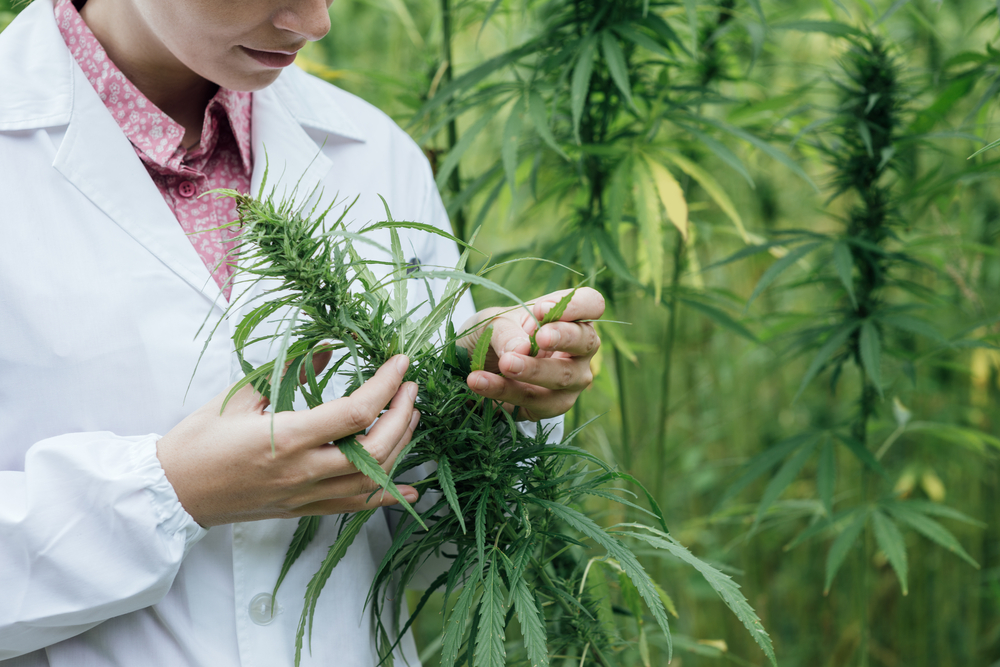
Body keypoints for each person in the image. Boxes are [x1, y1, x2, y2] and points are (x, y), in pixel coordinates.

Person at [0, 0, 604, 664]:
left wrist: (482, 390)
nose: (314, 22)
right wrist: (171, 493)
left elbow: (443, 551)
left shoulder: (374, 154)